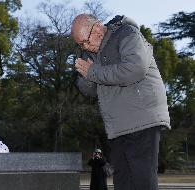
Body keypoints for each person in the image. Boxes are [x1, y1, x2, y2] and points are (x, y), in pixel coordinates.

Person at [71, 14, 171, 190]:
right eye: (80, 45)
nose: (85, 47)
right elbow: (88, 89)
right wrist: (87, 75)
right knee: (123, 182)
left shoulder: (127, 33)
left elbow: (135, 69)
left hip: (142, 119)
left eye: (85, 42)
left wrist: (93, 72)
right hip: (117, 126)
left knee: (142, 180)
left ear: (97, 28)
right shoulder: (92, 53)